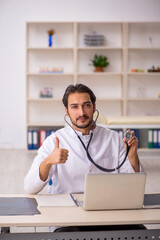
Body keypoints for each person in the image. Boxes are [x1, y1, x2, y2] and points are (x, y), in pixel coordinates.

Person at [24, 84, 143, 231]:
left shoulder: (114, 138)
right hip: (69, 219)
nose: (81, 112)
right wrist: (48, 161)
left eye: (86, 105)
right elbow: (29, 187)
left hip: (109, 213)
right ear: (67, 111)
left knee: (139, 231)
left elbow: (133, 187)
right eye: (74, 107)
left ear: (94, 107)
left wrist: (132, 158)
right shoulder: (54, 141)